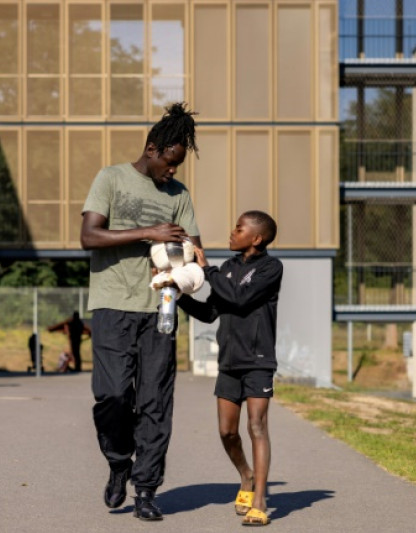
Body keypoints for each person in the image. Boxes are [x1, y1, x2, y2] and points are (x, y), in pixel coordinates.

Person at [80, 102, 202, 520]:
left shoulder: (179, 195)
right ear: (152, 149)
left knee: (155, 401)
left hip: (161, 309)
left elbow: (196, 253)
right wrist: (149, 232)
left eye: (178, 165)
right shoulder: (111, 178)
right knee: (111, 395)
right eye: (169, 163)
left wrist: (187, 268)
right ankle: (119, 462)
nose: (173, 172)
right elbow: (89, 236)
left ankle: (146, 489)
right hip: (112, 304)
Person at [177, 211, 283, 526]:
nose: (232, 232)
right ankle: (246, 475)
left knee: (257, 427)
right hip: (229, 362)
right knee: (227, 431)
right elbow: (211, 311)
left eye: (239, 228)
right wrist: (175, 293)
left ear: (257, 238)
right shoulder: (227, 269)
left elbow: (239, 297)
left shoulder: (270, 268)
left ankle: (260, 501)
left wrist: (205, 269)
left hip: (259, 361)